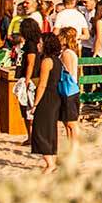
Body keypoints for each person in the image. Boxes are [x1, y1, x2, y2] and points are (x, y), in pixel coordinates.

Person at [29, 31, 62, 174]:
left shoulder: (46, 61)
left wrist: (35, 104)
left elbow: (42, 85)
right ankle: (52, 161)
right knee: (50, 129)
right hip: (55, 97)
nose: (38, 45)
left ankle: (50, 163)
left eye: (40, 43)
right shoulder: (57, 60)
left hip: (47, 97)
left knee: (40, 130)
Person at [57, 27, 80, 164]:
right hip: (70, 89)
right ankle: (71, 150)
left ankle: (74, 151)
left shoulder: (67, 53)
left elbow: (69, 72)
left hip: (69, 90)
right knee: (68, 123)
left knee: (71, 123)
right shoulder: (69, 52)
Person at [17, 18, 42, 143]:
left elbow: (31, 63)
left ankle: (32, 137)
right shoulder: (33, 42)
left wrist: (27, 79)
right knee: (27, 107)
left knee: (29, 107)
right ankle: (31, 136)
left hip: (32, 78)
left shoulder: (31, 44)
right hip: (33, 77)